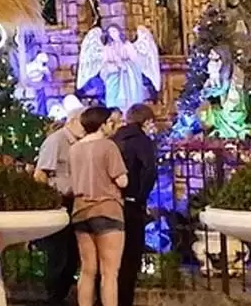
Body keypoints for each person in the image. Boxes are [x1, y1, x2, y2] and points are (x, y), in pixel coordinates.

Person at [68, 107, 128, 306]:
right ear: (103, 124)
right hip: (106, 209)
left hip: (80, 211)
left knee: (87, 269)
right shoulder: (108, 146)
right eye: (110, 122)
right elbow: (121, 181)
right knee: (109, 273)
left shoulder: (74, 148)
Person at [35, 103, 86, 306]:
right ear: (72, 121)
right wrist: (49, 201)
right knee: (59, 255)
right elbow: (41, 173)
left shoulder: (80, 143)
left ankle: (61, 294)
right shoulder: (56, 141)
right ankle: (53, 297)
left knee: (72, 255)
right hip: (60, 201)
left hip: (76, 201)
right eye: (83, 122)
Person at [113, 106, 159, 306]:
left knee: (111, 260)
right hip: (132, 204)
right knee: (130, 259)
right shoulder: (142, 142)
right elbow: (149, 171)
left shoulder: (113, 139)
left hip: (112, 203)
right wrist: (141, 196)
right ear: (146, 121)